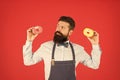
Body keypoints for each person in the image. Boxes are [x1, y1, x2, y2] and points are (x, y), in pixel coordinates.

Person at [23, 16, 102, 80]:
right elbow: (28, 61)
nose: (58, 29)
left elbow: (94, 65)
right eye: (58, 26)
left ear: (70, 32)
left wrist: (95, 44)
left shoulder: (78, 49)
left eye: (62, 27)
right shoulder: (45, 47)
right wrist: (29, 40)